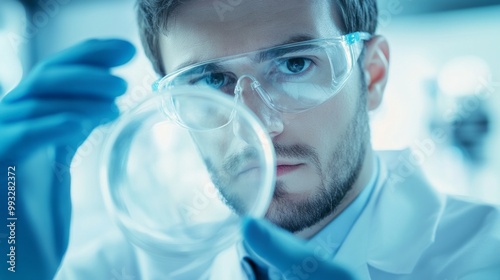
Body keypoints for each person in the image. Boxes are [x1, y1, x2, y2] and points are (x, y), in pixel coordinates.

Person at [1, 0, 499, 279]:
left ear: (371, 75)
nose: (258, 124)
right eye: (211, 81)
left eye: (295, 64)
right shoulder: (118, 273)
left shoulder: (484, 258)